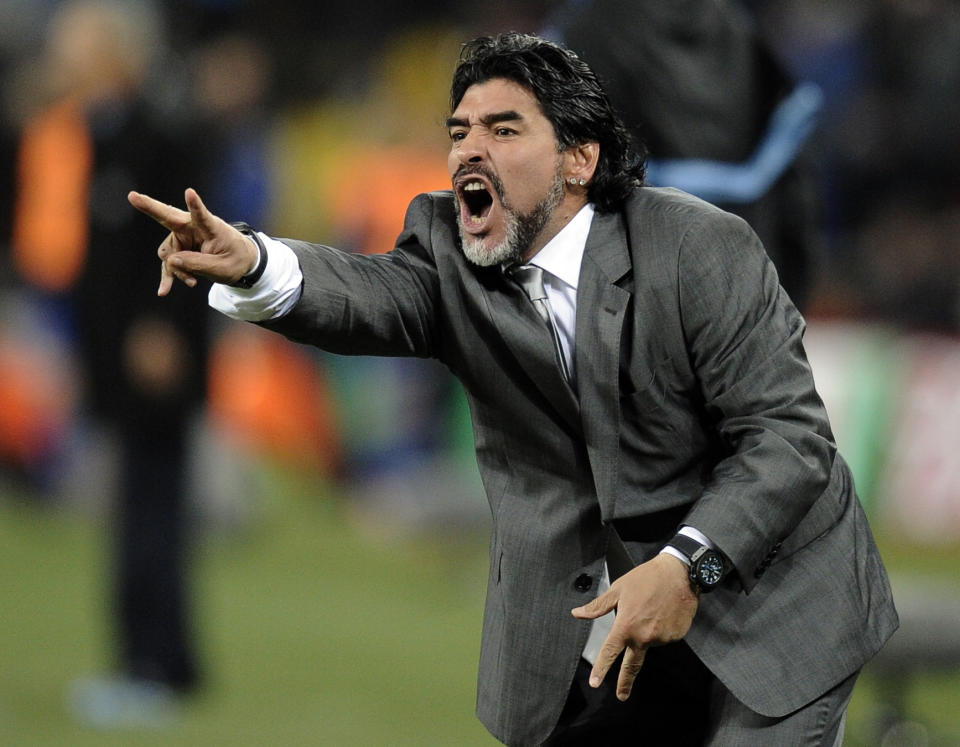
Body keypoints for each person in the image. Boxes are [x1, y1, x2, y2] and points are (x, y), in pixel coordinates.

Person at [128, 32, 898, 746]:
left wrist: (684, 564)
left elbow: (789, 440)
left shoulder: (699, 247)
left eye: (503, 129)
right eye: (459, 130)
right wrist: (256, 262)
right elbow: (365, 291)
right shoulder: (450, 254)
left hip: (772, 596)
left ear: (578, 159)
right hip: (619, 616)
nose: (470, 148)